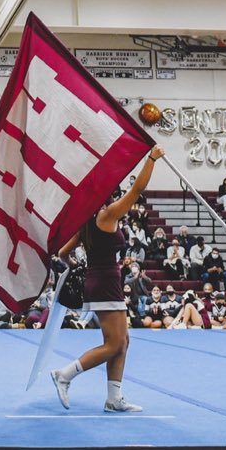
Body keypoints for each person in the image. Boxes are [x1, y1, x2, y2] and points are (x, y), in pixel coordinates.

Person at [49, 145, 161, 413]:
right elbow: (137, 191)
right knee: (114, 343)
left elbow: (64, 253)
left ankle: (114, 398)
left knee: (123, 341)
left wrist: (79, 267)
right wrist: (151, 159)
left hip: (99, 280)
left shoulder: (89, 220)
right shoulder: (107, 215)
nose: (117, 194)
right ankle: (65, 374)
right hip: (106, 283)